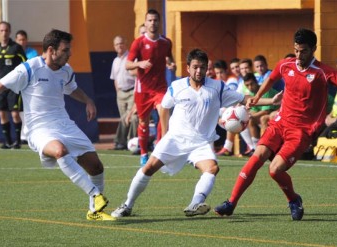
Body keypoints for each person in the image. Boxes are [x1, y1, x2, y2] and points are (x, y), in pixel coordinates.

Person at [0, 29, 115, 221]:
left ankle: (95, 212)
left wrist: (88, 101)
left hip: (64, 124)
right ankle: (95, 195)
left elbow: (72, 88)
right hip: (39, 129)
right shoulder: (29, 68)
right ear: (51, 50)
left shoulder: (66, 70)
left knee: (96, 167)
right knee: (59, 150)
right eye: (66, 50)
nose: (70, 54)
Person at [214, 28, 337, 221]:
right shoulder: (286, 65)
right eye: (296, 50)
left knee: (275, 170)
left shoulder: (322, 71)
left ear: (313, 49)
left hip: (302, 131)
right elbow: (271, 79)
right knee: (257, 156)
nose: (298, 55)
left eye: (303, 51)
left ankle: (293, 199)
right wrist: (257, 97)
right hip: (279, 123)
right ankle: (231, 202)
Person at [110, 49, 280, 218]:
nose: (199, 71)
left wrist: (271, 101)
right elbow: (164, 107)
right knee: (148, 168)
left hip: (201, 142)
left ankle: (195, 204)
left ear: (207, 68)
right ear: (188, 69)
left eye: (203, 67)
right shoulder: (177, 87)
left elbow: (244, 99)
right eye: (195, 67)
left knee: (212, 168)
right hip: (175, 138)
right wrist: (164, 134)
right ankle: (127, 205)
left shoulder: (217, 87)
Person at [126, 9, 176, 166]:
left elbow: (169, 57)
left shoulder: (166, 42)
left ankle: (160, 149)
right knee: (143, 122)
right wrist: (139, 63)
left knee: (164, 111)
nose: (152, 23)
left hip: (160, 87)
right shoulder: (138, 42)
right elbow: (128, 64)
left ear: (159, 22)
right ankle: (143, 153)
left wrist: (171, 64)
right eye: (150, 20)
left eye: (155, 20)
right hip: (143, 89)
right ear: (146, 22)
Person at [0, 21, 26, 149]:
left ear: (10, 32)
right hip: (1, 85)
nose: (4, 33)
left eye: (6, 30)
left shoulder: (16, 47)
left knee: (15, 113)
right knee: (2, 113)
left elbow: (25, 64)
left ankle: (17, 142)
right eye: (1, 30)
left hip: (15, 86)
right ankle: (7, 142)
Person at [110, 36, 137, 150]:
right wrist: (118, 91)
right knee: (123, 118)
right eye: (116, 44)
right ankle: (126, 143)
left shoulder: (131, 58)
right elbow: (115, 78)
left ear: (125, 44)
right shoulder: (115, 61)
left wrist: (136, 92)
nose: (119, 46)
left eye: (121, 43)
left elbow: (137, 77)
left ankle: (124, 141)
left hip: (131, 91)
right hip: (120, 93)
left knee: (129, 117)